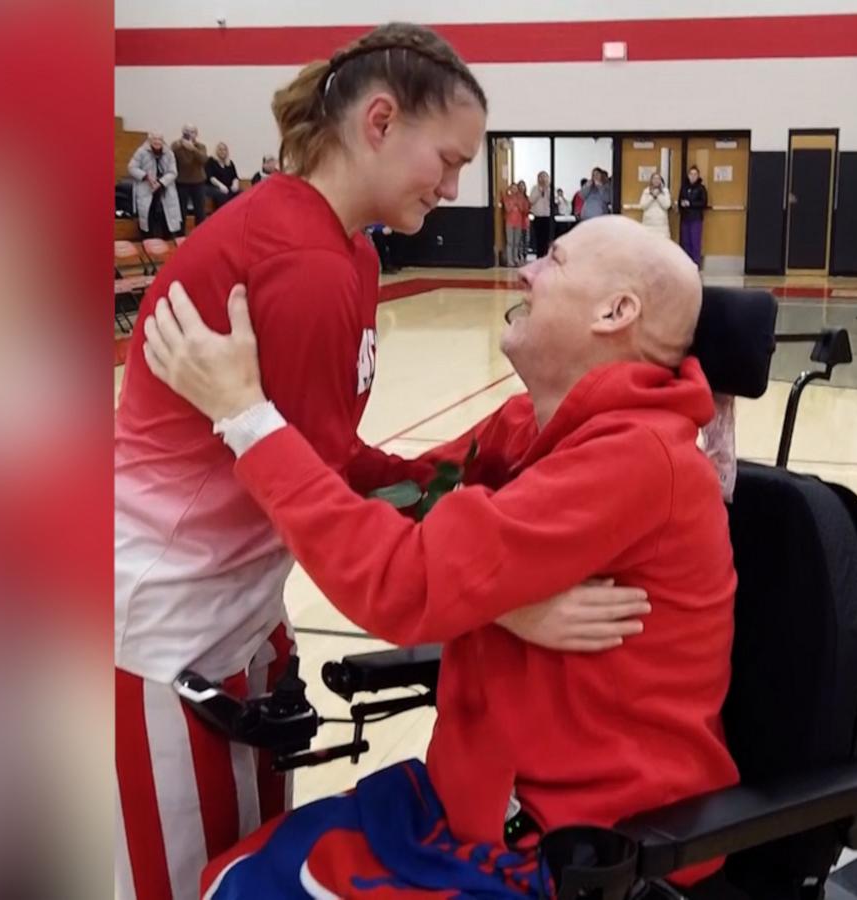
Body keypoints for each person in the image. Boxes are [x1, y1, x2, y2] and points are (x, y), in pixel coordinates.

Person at [114, 25, 640, 900]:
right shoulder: (304, 264)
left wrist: (475, 479)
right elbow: (323, 514)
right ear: (381, 122)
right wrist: (503, 599)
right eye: (449, 158)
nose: (456, 184)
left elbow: (332, 462)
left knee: (238, 870)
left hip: (236, 607)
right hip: (168, 625)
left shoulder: (349, 252)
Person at [141, 214, 739, 896]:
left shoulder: (637, 459)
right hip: (481, 804)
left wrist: (247, 420)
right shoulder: (537, 424)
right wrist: (503, 604)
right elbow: (405, 498)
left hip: (575, 847)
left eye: (556, 260)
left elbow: (406, 582)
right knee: (232, 878)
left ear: (615, 311)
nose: (527, 270)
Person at [127, 132, 181, 239]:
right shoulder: (141, 151)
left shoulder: (169, 153)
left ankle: (167, 239)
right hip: (147, 187)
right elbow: (131, 168)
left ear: (163, 141)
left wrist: (161, 182)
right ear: (149, 141)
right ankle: (148, 239)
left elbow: (173, 172)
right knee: (148, 216)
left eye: (159, 139)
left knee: (167, 216)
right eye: (154, 139)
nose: (157, 142)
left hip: (164, 187)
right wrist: (146, 176)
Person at [172, 124, 210, 225]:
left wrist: (193, 149)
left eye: (192, 132)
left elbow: (204, 160)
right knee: (181, 210)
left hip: (198, 182)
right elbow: (171, 160)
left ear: (196, 134)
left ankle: (200, 234)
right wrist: (179, 146)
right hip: (181, 182)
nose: (189, 134)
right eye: (186, 131)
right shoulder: (176, 146)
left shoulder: (201, 146)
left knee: (200, 211)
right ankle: (180, 235)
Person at [678, 165, 709, 265]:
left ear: (698, 175)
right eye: (691, 174)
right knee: (685, 242)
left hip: (696, 218)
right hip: (685, 218)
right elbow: (680, 200)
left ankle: (696, 263)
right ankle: (686, 263)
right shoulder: (684, 187)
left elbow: (703, 203)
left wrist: (690, 203)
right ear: (688, 175)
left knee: (695, 241)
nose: (693, 176)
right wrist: (681, 204)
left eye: (695, 174)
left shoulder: (701, 188)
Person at [205, 142, 242, 212]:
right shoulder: (211, 161)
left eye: (224, 150)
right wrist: (220, 185)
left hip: (227, 186)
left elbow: (235, 177)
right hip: (213, 187)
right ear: (217, 151)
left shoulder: (230, 163)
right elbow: (211, 177)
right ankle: (223, 215)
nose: (222, 151)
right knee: (222, 194)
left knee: (240, 193)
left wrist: (235, 184)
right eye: (220, 150)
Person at [637, 171, 673, 241]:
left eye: (658, 179)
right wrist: (652, 196)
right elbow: (642, 205)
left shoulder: (665, 191)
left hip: (661, 225)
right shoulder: (646, 191)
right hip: (648, 223)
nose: (656, 180)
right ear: (651, 180)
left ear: (660, 180)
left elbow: (667, 205)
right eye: (654, 179)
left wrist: (658, 195)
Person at [502, 180, 530, 266]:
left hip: (519, 222)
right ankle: (509, 260)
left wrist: (519, 204)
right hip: (509, 222)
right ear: (510, 189)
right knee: (510, 242)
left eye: (515, 188)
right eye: (512, 188)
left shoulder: (521, 198)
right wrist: (513, 203)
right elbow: (507, 209)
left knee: (517, 242)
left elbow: (524, 210)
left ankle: (515, 258)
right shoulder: (507, 198)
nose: (514, 190)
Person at [527, 170, 554, 260]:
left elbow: (553, 201)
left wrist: (547, 190)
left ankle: (545, 257)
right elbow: (531, 200)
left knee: (546, 239)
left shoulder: (550, 189)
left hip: (547, 217)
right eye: (541, 177)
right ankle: (539, 257)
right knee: (538, 238)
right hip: (537, 217)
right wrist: (539, 192)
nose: (542, 179)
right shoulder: (535, 188)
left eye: (544, 177)